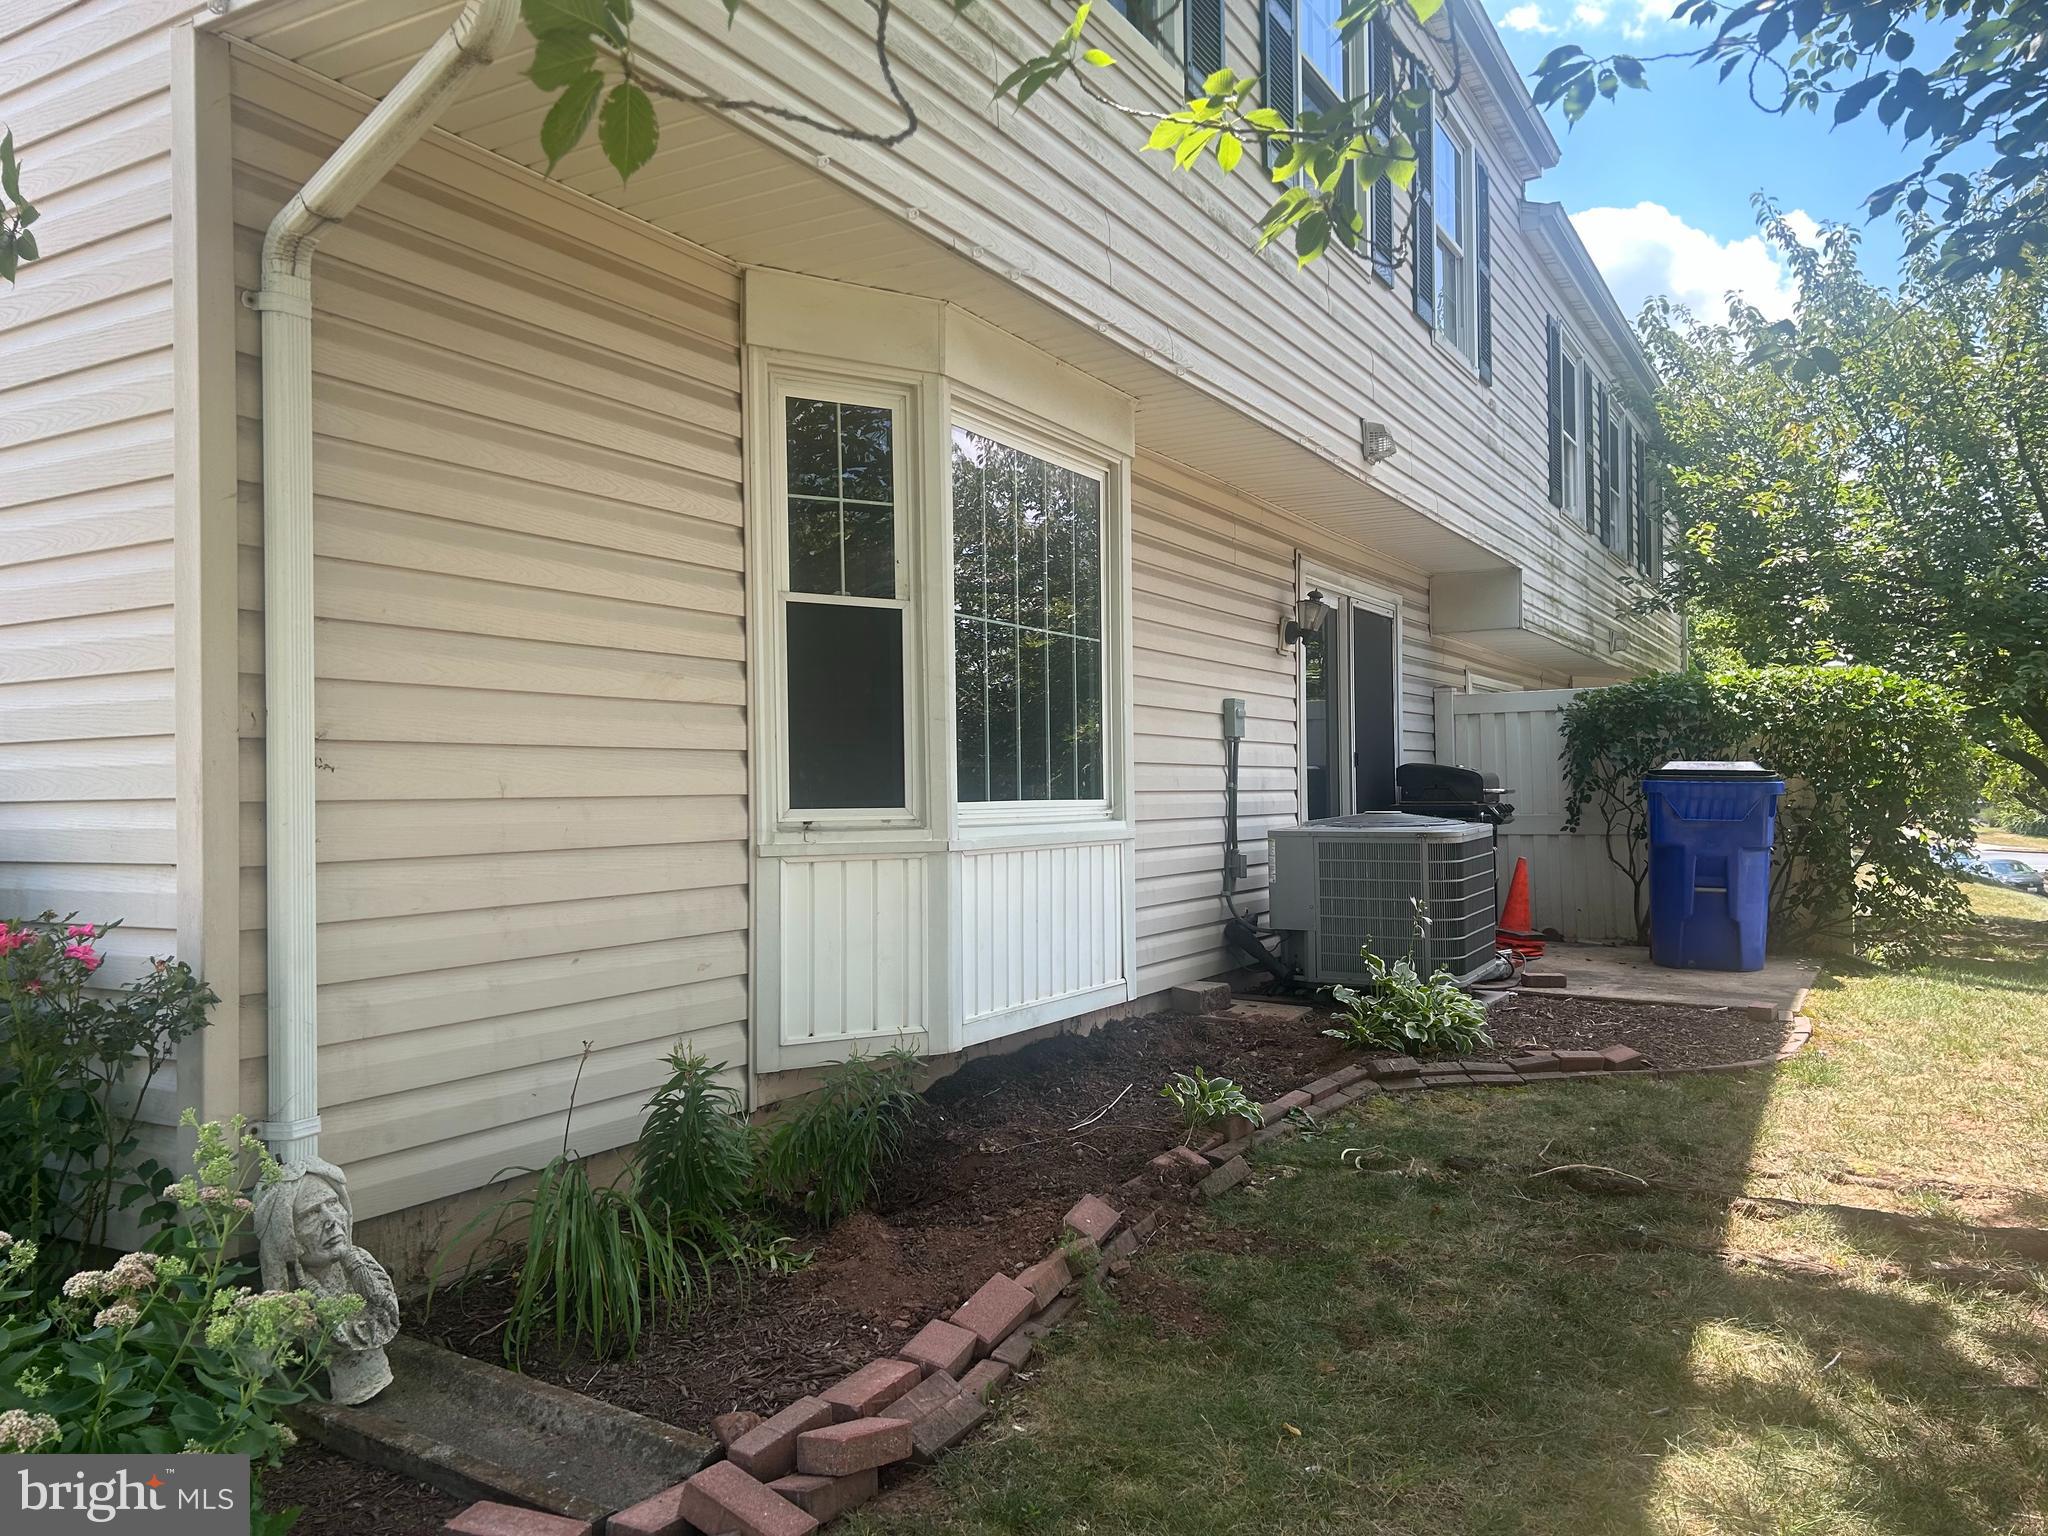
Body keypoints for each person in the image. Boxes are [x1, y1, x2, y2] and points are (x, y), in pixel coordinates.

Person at [255, 1158, 400, 1405]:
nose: (331, 1220)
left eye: (333, 1203)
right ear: (286, 1234)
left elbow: (385, 1308)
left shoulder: (360, 1263)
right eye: (311, 1214)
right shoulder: (294, 1300)